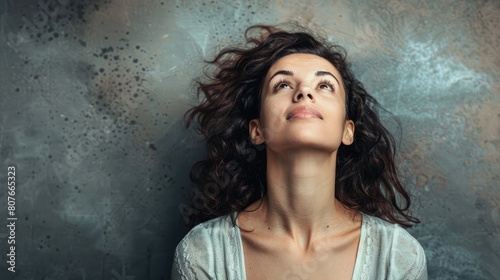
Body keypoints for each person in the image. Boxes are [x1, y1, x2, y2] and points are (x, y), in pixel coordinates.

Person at [171, 24, 427, 280]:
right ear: (257, 130)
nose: (304, 92)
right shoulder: (202, 254)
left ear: (347, 131)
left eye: (325, 85)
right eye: (282, 85)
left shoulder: (397, 257)